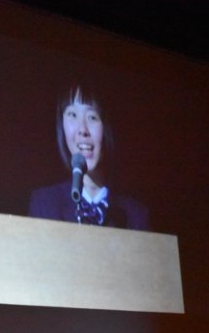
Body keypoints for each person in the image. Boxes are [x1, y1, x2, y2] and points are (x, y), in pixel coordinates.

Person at [28, 86, 149, 230]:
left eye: (92, 117)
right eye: (72, 115)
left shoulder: (135, 215)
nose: (83, 130)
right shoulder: (44, 204)